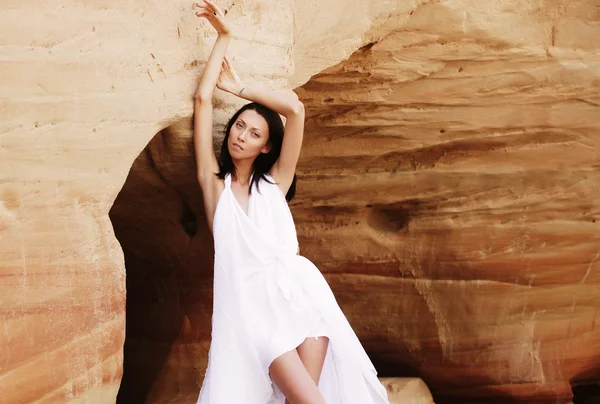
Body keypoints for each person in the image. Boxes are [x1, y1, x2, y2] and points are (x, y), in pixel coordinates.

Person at [192, 1, 390, 403]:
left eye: (253, 133)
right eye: (239, 126)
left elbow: (295, 110)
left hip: (302, 301)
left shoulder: (275, 184)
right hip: (255, 319)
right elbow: (201, 102)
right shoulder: (216, 189)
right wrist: (223, 37)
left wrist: (239, 88)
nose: (240, 136)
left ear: (266, 147)